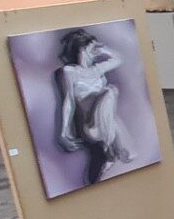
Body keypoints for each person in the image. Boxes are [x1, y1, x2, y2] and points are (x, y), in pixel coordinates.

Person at [53, 28, 134, 185]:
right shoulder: (69, 72)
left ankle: (110, 152)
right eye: (92, 48)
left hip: (107, 124)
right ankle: (112, 150)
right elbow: (68, 101)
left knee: (110, 91)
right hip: (90, 126)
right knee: (110, 91)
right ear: (82, 49)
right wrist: (64, 132)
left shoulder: (97, 69)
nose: (95, 51)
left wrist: (102, 48)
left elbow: (119, 59)